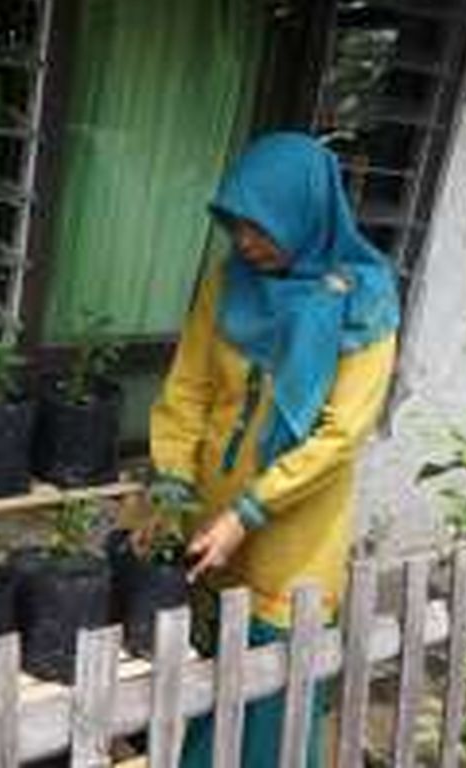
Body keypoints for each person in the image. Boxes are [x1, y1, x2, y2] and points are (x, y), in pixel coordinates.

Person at [131, 132, 400, 767]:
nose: (245, 242)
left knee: (269, 718)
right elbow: (188, 388)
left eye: (261, 226)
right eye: (235, 224)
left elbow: (341, 435)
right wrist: (171, 486)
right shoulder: (229, 281)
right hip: (212, 528)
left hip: (292, 538)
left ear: (307, 214)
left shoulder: (365, 298)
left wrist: (247, 514)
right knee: (210, 690)